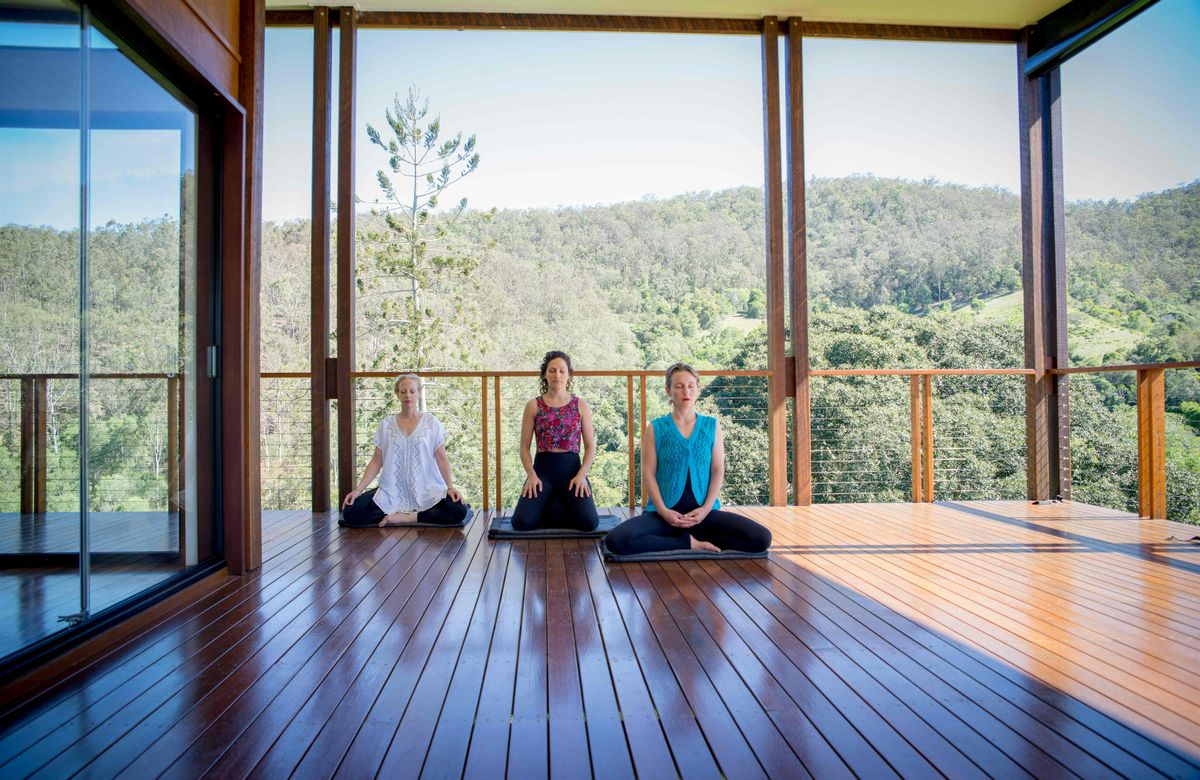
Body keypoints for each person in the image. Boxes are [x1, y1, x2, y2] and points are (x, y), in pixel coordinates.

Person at [605, 362, 771, 555]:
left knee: (761, 538)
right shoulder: (656, 428)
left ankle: (688, 540)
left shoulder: (711, 425)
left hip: (704, 515)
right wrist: (664, 512)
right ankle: (687, 543)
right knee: (616, 540)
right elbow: (648, 473)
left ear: (698, 389)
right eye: (679, 386)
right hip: (664, 516)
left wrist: (705, 510)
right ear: (668, 390)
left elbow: (718, 469)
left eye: (691, 386)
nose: (686, 391)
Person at [341, 373, 470, 527]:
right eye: (403, 391)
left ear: (419, 393)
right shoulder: (386, 425)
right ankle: (405, 513)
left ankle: (407, 517)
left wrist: (450, 487)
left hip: (427, 490)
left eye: (412, 391)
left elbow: (442, 458)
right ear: (397, 394)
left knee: (458, 510)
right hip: (392, 491)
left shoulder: (431, 423)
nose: (408, 395)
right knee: (351, 512)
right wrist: (358, 490)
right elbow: (376, 461)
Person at [510, 350, 601, 531]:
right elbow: (524, 448)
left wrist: (582, 475)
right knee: (521, 523)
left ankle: (554, 509)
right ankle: (555, 508)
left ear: (569, 374)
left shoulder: (581, 405)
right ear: (544, 374)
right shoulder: (533, 405)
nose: (557, 375)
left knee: (589, 523)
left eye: (561, 371)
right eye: (552, 370)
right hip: (542, 473)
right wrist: (531, 476)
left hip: (572, 472)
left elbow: (591, 447)